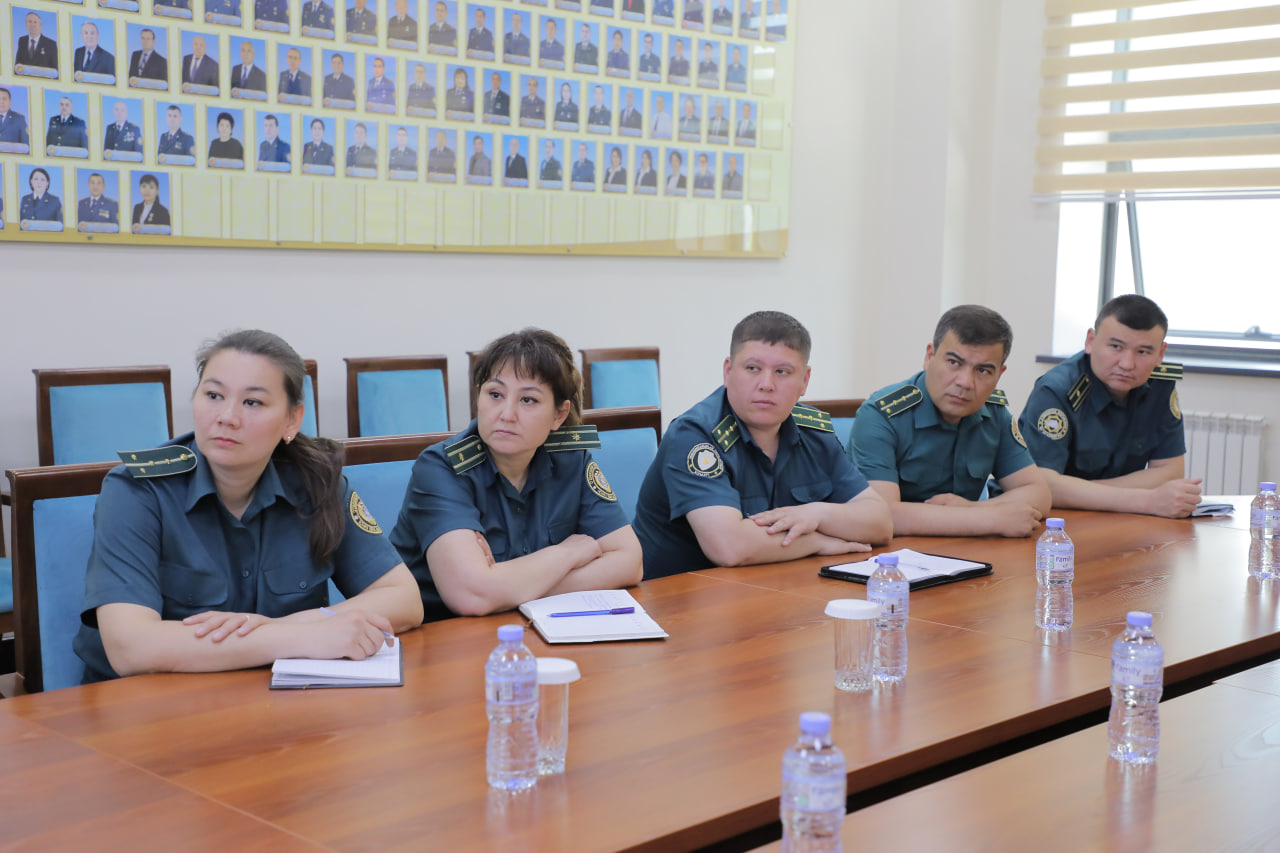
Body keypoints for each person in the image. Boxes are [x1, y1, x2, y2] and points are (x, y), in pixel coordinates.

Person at [72, 330, 423, 683]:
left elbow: (404, 599)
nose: (227, 417)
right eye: (213, 395)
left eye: (252, 402)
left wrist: (280, 627)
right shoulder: (137, 491)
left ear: (292, 420)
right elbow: (131, 648)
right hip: (149, 704)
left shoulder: (316, 482)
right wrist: (300, 637)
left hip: (274, 699)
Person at [390, 329, 642, 622]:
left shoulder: (572, 457)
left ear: (559, 415)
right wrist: (568, 554)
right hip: (447, 635)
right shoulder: (441, 468)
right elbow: (472, 595)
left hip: (532, 627)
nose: (506, 414)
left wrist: (508, 589)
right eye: (495, 395)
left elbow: (629, 562)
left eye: (528, 400)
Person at [633, 311, 892, 578]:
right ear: (728, 371)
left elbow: (880, 522)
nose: (766, 385)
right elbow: (729, 547)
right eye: (753, 368)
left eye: (782, 372)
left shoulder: (814, 432)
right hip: (680, 595)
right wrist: (817, 542)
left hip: (773, 585)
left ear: (804, 380)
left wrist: (814, 514)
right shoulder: (694, 436)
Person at [850, 306, 1052, 538]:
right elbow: (882, 515)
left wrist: (971, 508)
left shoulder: (995, 414)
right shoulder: (882, 414)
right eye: (954, 362)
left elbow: (1039, 493)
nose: (965, 382)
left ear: (999, 374)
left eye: (983, 370)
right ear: (929, 357)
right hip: (889, 555)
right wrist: (990, 518)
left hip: (962, 551)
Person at [1018, 294, 1202, 518]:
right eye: (1116, 346)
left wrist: (1082, 491)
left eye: (1143, 352)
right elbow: (1042, 485)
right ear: (1090, 341)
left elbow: (1170, 472)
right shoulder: (1057, 390)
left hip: (1116, 516)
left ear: (1160, 354)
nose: (1127, 364)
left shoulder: (1159, 386)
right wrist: (1146, 501)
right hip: (1054, 520)